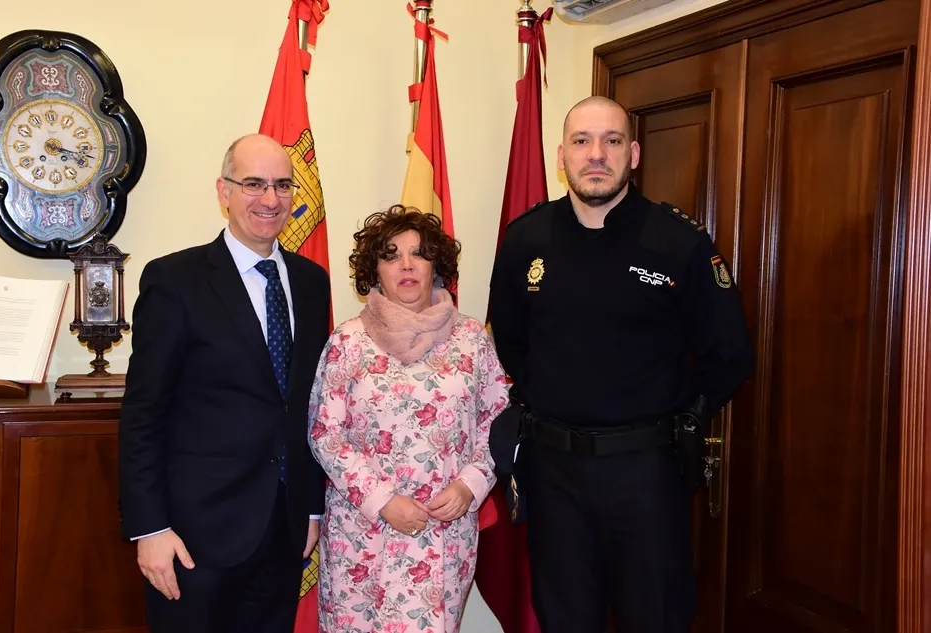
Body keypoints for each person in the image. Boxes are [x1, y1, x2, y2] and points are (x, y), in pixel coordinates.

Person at [487, 96, 754, 633]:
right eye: (582, 141)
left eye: (611, 141)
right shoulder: (525, 240)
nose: (596, 155)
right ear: (562, 154)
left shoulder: (677, 242)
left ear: (633, 154)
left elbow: (729, 353)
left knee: (654, 617)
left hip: (645, 473)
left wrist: (684, 417)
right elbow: (512, 343)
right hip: (554, 471)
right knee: (565, 619)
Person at [118, 133, 332, 633]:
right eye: (253, 184)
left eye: (282, 185)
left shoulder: (310, 280)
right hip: (194, 538)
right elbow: (144, 414)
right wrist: (148, 528)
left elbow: (306, 403)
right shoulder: (175, 280)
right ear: (224, 191)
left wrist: (312, 507)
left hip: (284, 529)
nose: (270, 199)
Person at [307, 205, 508, 633]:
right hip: (363, 534)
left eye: (418, 253)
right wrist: (382, 501)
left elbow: (499, 421)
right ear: (373, 270)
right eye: (391, 255)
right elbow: (325, 433)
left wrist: (469, 486)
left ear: (436, 263)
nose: (406, 265)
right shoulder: (347, 341)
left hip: (442, 532)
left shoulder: (471, 338)